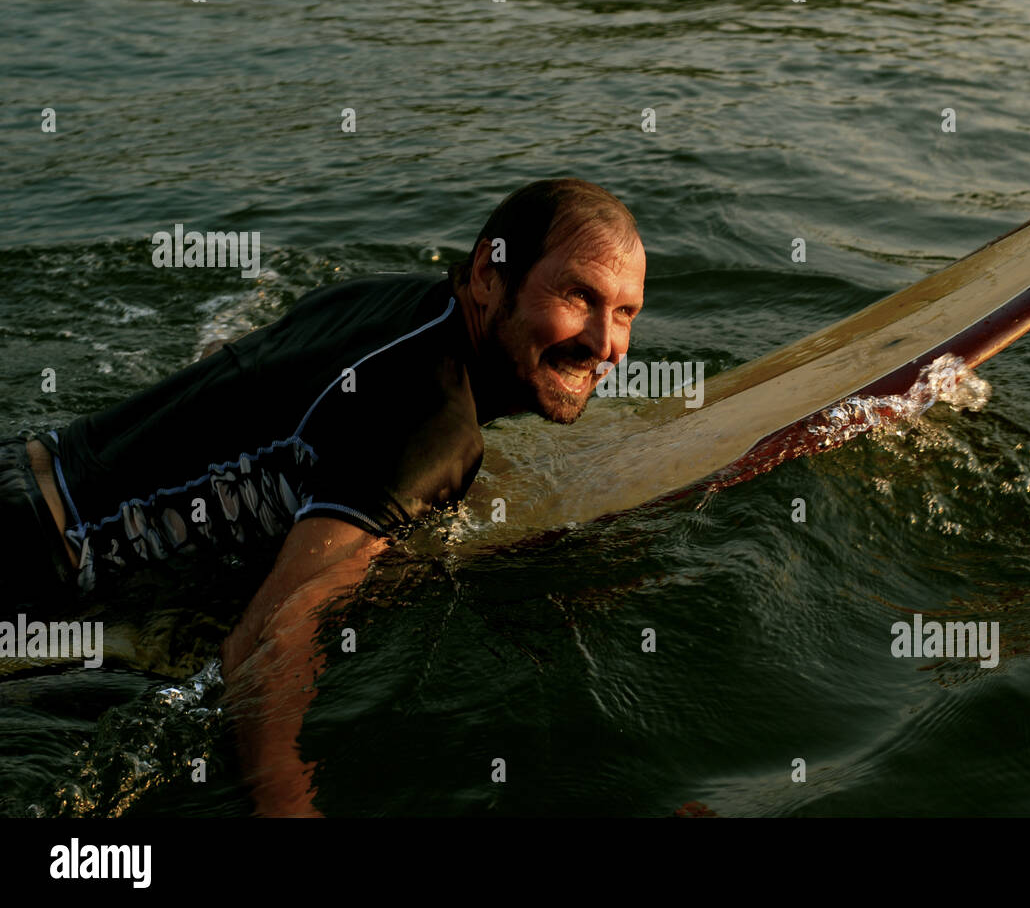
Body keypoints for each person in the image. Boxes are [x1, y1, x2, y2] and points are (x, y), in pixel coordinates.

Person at [1, 177, 646, 815]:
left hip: (33, 477)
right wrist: (287, 803)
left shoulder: (390, 305)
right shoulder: (431, 428)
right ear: (488, 273)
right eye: (578, 295)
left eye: (625, 313)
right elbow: (268, 646)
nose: (606, 343)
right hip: (38, 573)